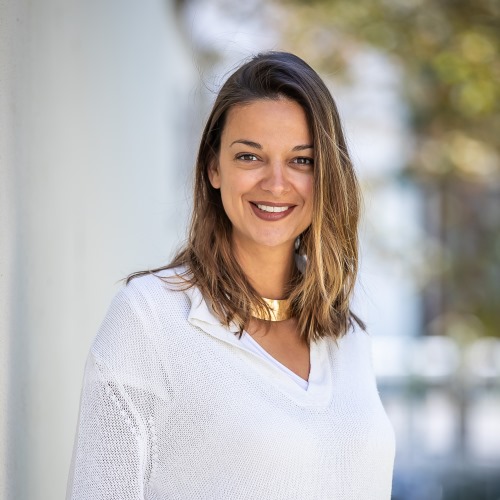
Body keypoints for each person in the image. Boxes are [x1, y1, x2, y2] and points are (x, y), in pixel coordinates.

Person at [66, 51, 395, 500]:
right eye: (249, 156)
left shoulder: (347, 337)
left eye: (302, 160)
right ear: (213, 168)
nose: (276, 183)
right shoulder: (150, 319)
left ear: (327, 176)